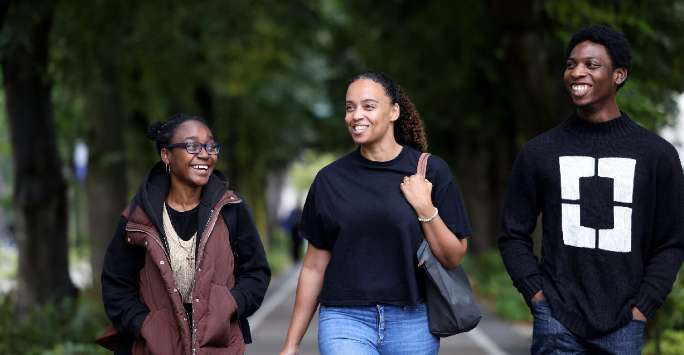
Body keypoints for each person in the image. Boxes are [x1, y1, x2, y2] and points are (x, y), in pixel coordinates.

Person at [497, 25, 684, 354]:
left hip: (624, 325)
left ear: (619, 75)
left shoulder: (656, 155)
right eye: (571, 64)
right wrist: (537, 296)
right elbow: (513, 233)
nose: (577, 72)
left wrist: (644, 306)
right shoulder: (540, 152)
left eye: (591, 65)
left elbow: (672, 241)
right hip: (556, 321)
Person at [280, 71, 472, 355]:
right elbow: (313, 266)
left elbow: (453, 256)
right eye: (349, 107)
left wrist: (425, 207)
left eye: (368, 106)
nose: (356, 115)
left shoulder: (430, 172)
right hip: (345, 320)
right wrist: (291, 343)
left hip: (413, 321)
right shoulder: (329, 180)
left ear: (394, 111)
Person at [100, 113, 271, 354]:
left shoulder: (232, 209)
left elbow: (256, 273)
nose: (205, 154)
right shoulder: (139, 217)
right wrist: (146, 325)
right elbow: (116, 284)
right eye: (192, 146)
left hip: (219, 346)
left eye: (211, 146)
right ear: (166, 155)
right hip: (155, 348)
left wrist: (228, 306)